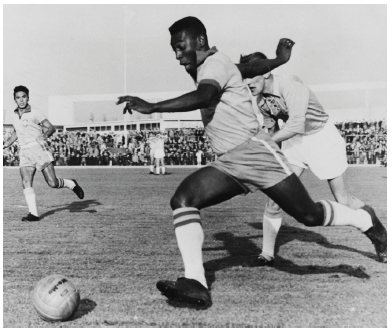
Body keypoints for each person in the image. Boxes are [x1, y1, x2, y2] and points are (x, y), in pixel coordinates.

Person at [116, 17, 386, 307]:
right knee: (183, 199)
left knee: (309, 216)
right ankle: (195, 283)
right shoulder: (216, 63)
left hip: (256, 154)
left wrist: (154, 107)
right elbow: (249, 69)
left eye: (181, 47)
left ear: (200, 42)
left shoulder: (213, 65)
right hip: (230, 162)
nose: (177, 54)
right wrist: (278, 59)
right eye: (174, 49)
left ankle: (365, 221)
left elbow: (205, 94)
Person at [239, 52, 365, 267]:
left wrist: (260, 144)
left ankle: (373, 224)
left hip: (321, 138)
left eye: (252, 75)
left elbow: (294, 125)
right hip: (294, 142)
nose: (247, 82)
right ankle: (266, 254)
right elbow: (273, 133)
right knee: (276, 197)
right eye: (245, 76)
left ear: (267, 71)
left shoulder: (289, 84)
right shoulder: (261, 101)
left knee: (343, 201)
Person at [3, 86, 84, 222]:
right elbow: (16, 132)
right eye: (18, 97)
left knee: (52, 183)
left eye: (23, 97)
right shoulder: (13, 115)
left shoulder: (36, 112)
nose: (21, 100)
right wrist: (5, 144)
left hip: (39, 149)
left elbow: (50, 127)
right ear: (15, 99)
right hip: (24, 152)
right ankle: (33, 214)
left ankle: (71, 184)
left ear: (28, 97)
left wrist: (44, 135)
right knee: (26, 181)